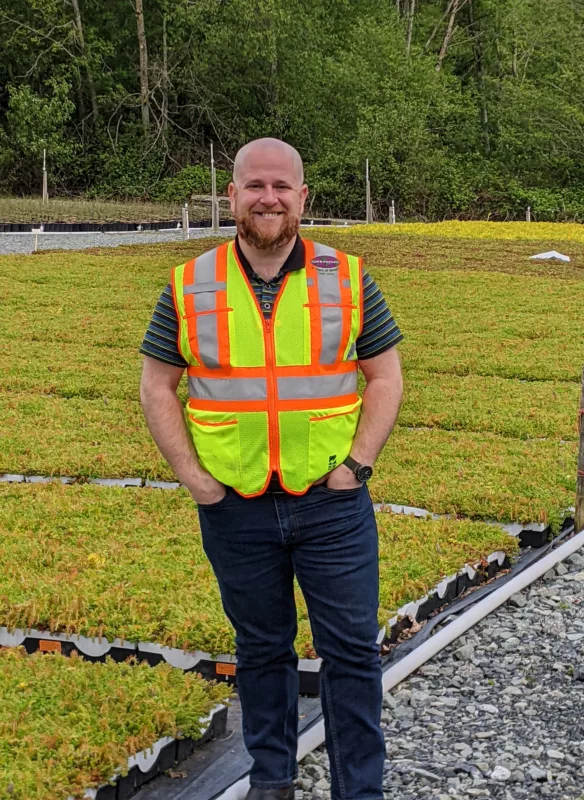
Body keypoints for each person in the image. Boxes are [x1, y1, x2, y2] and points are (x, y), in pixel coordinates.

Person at [139, 138, 403, 800]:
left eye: (282, 187)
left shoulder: (347, 277)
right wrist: (197, 480)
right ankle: (273, 780)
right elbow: (156, 386)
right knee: (260, 650)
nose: (268, 198)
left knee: (349, 653)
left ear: (302, 197)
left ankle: (359, 790)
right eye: (254, 186)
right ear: (231, 195)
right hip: (235, 506)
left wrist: (357, 465)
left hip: (331, 502)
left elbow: (386, 376)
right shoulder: (190, 285)